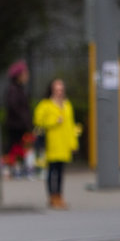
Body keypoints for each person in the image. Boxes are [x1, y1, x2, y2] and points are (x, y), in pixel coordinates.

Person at [33, 78, 79, 209]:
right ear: (51, 90)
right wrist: (54, 121)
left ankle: (59, 195)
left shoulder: (67, 105)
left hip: (64, 144)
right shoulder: (45, 104)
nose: (59, 92)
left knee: (60, 171)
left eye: (61, 89)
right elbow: (38, 120)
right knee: (51, 171)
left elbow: (71, 125)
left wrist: (73, 143)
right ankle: (52, 196)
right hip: (52, 143)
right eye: (57, 89)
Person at [5, 60, 33, 158]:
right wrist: (25, 120)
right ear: (19, 75)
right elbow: (15, 107)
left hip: (19, 126)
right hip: (17, 127)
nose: (27, 75)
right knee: (15, 152)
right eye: (25, 73)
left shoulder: (19, 88)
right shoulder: (14, 89)